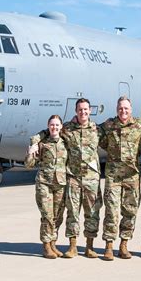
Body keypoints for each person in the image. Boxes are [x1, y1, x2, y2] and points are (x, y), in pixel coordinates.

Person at [30, 98, 103, 259]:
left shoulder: (97, 129)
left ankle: (90, 247)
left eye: (85, 109)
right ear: (76, 111)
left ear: (90, 110)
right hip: (73, 178)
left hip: (92, 178)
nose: (83, 112)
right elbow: (48, 131)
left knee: (92, 212)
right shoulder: (67, 128)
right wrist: (34, 142)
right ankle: (72, 247)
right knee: (72, 213)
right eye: (80, 109)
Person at [99, 96, 141, 261]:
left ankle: (124, 244)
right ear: (117, 109)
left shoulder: (140, 125)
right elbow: (92, 132)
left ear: (131, 109)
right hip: (113, 176)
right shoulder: (109, 125)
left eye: (126, 108)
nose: (123, 111)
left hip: (132, 176)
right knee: (111, 211)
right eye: (121, 108)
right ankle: (109, 245)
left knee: (130, 211)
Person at [25, 115, 68, 259]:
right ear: (48, 126)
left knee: (57, 216)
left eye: (57, 125)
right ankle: (46, 245)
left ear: (61, 127)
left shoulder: (65, 142)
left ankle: (53, 243)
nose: (54, 127)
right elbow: (29, 165)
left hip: (60, 184)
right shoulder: (42, 143)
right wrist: (31, 152)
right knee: (47, 215)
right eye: (52, 125)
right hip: (44, 183)